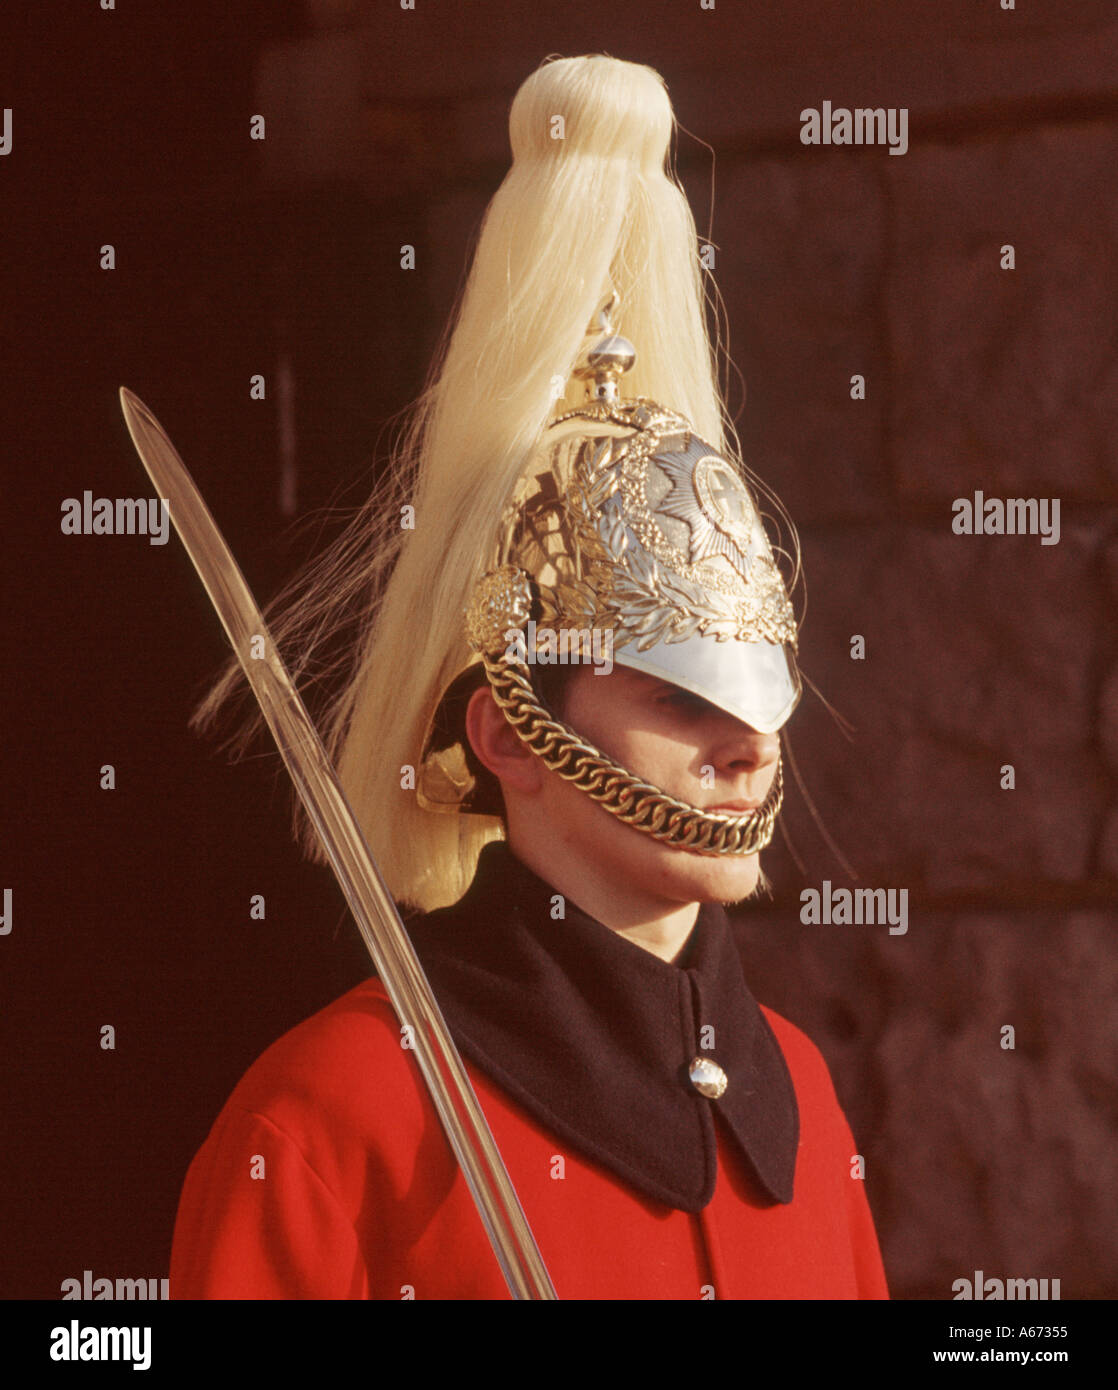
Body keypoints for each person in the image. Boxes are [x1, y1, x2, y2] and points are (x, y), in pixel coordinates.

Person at [170, 54, 889, 1300]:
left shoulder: (801, 1094)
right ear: (507, 732)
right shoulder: (330, 1112)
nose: (748, 745)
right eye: (676, 695)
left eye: (757, 695)